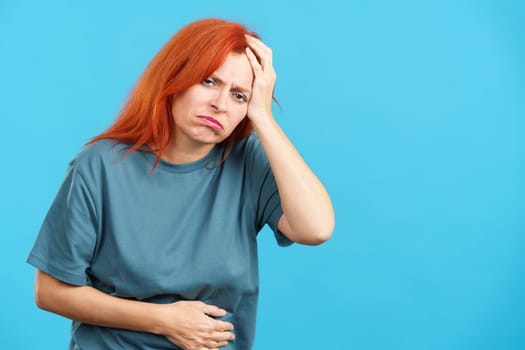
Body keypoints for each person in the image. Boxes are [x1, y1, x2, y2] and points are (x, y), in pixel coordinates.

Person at [27, 18, 334, 350]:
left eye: (239, 95)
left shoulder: (249, 161)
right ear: (174, 78)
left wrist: (264, 118)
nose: (220, 103)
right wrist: (163, 320)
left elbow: (315, 229)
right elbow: (50, 291)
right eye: (209, 81)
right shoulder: (100, 165)